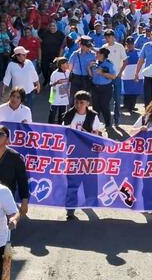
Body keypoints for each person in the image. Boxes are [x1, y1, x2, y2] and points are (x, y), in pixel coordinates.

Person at [61, 91, 103, 220]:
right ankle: (70, 209)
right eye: (76, 102)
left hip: (89, 154)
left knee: (90, 180)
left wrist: (89, 134)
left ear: (87, 103)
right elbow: (63, 132)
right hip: (73, 154)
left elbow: (97, 134)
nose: (78, 105)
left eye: (81, 102)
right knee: (72, 181)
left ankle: (90, 202)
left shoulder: (93, 116)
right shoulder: (68, 115)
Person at [103, 29, 128, 127]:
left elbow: (125, 61)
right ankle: (108, 121)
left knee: (117, 99)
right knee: (107, 100)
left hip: (117, 77)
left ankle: (117, 120)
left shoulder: (119, 46)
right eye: (106, 37)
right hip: (106, 78)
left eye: (109, 36)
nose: (108, 38)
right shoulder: (104, 47)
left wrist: (120, 73)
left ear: (113, 37)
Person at [89, 46, 117, 129]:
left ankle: (108, 124)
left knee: (104, 106)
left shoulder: (109, 64)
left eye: (98, 53)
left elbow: (113, 76)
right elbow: (91, 75)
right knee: (95, 107)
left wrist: (102, 73)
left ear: (102, 55)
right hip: (95, 87)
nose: (96, 54)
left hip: (106, 88)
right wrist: (89, 67)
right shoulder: (94, 63)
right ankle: (95, 125)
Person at [68, 35, 96, 100]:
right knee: (73, 98)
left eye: (90, 46)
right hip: (75, 79)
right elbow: (69, 68)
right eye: (87, 46)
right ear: (81, 45)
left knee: (85, 99)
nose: (89, 48)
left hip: (87, 79)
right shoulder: (75, 54)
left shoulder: (93, 55)